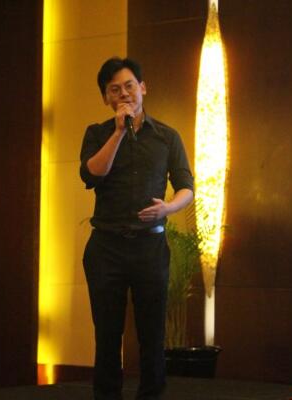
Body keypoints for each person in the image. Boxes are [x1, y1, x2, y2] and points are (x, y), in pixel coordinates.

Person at [79, 57, 194, 400]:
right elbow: (92, 174)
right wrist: (118, 132)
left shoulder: (167, 137)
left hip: (150, 248)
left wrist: (168, 208)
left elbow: (186, 187)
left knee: (152, 334)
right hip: (106, 248)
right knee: (107, 335)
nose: (124, 94)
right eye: (114, 90)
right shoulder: (97, 133)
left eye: (129, 86)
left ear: (143, 88)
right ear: (106, 98)